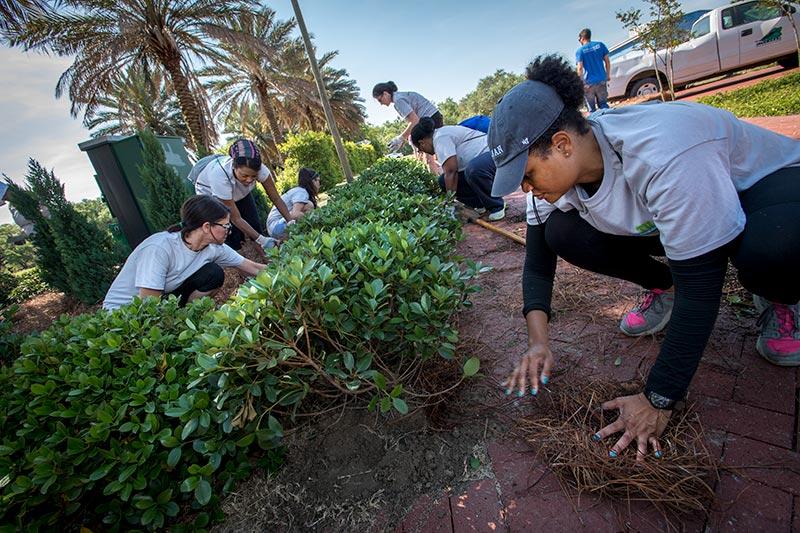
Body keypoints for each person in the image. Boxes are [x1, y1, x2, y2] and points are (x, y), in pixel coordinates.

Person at [488, 54, 800, 459]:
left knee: (770, 250)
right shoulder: (562, 179)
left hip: (766, 191)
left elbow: (704, 285)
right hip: (680, 210)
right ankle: (662, 286)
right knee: (560, 231)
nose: (526, 189)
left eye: (527, 175)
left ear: (562, 145)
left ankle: (782, 296)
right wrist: (538, 343)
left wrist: (659, 397)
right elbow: (538, 259)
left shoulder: (662, 155)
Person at [103, 195, 266, 311]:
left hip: (163, 299)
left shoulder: (213, 247)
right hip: (126, 312)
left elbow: (250, 266)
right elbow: (149, 303)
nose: (229, 231)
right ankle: (179, 323)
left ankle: (188, 315)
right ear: (206, 227)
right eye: (225, 226)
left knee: (213, 273)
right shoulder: (160, 248)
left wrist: (285, 270)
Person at [193, 139, 294, 251]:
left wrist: (290, 221)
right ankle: (240, 262)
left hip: (236, 191)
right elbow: (236, 218)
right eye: (244, 175)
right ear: (234, 167)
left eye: (253, 176)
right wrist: (262, 240)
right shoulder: (219, 176)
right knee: (231, 234)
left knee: (254, 223)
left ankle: (267, 260)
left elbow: (276, 198)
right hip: (211, 193)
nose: (249, 180)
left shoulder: (262, 170)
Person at [411, 117, 505, 221]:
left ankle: (496, 207)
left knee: (473, 169)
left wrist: (449, 203)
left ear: (422, 142)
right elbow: (450, 173)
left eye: (420, 150)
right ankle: (481, 204)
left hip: (494, 156)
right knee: (443, 181)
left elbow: (451, 171)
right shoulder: (439, 138)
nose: (424, 152)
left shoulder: (440, 137)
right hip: (482, 163)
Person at [373, 82, 443, 153]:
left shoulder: (398, 101)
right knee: (433, 155)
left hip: (431, 120)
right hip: (433, 118)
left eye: (380, 100)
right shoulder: (399, 96)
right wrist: (404, 139)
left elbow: (415, 121)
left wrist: (400, 138)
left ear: (385, 94)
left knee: (430, 159)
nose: (381, 103)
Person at [266, 168, 320, 240]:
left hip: (273, 228)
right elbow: (295, 214)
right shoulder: (302, 192)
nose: (320, 184)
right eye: (319, 181)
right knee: (309, 205)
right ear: (313, 181)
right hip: (276, 227)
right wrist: (315, 221)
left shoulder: (299, 191)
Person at [576, 28, 611, 112]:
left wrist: (581, 83)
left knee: (591, 110)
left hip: (588, 84)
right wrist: (607, 75)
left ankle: (596, 124)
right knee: (604, 106)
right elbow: (607, 61)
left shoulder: (580, 51)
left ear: (582, 38)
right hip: (601, 80)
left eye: (579, 39)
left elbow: (580, 68)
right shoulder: (600, 45)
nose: (579, 41)